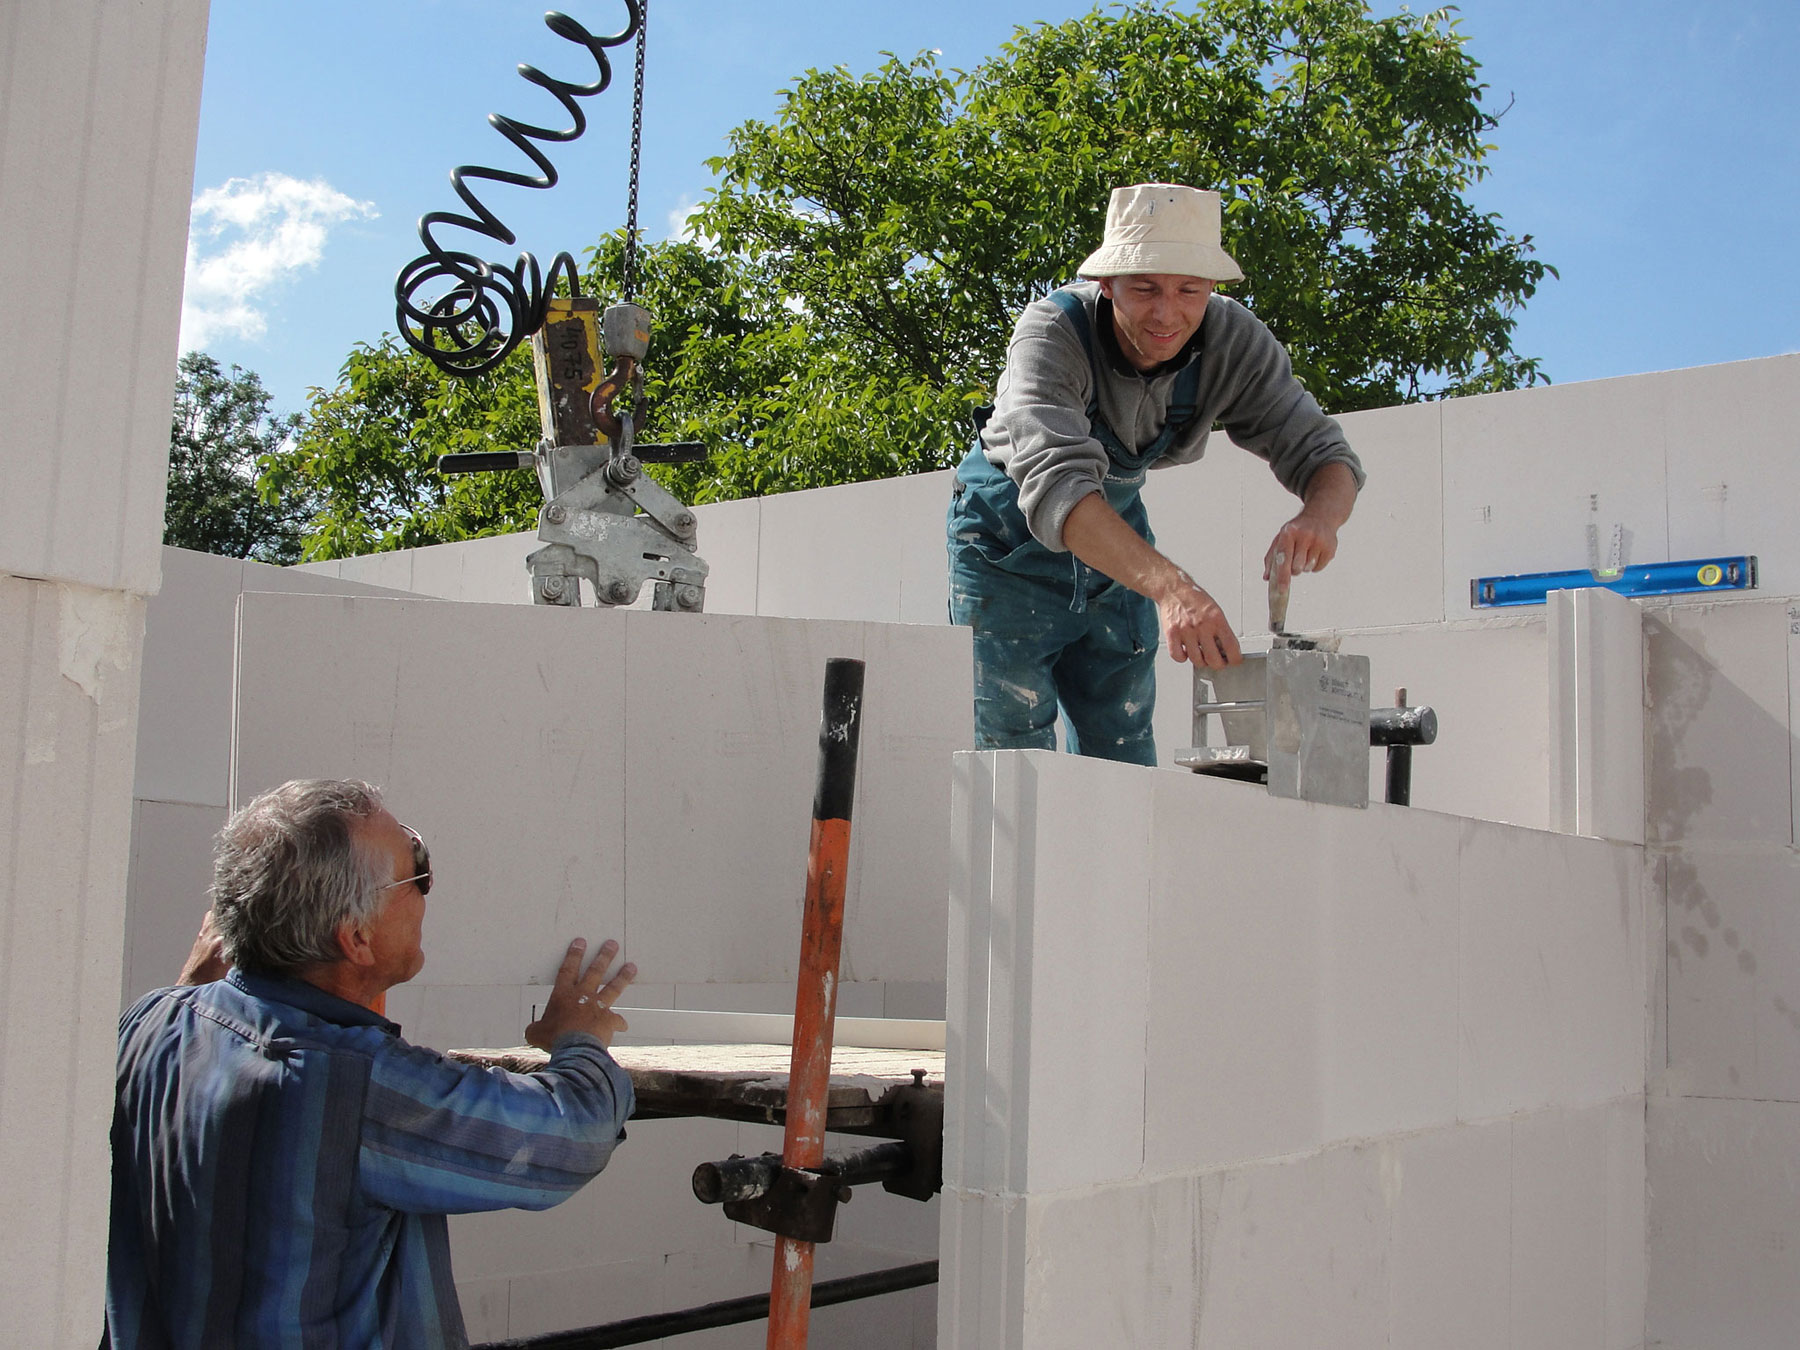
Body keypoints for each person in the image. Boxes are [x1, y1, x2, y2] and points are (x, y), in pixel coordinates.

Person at [106, 779, 638, 1349]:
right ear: (356, 938)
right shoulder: (353, 1084)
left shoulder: (148, 1023)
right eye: (418, 872)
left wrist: (190, 991)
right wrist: (579, 1038)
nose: (429, 891)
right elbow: (573, 1135)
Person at [947, 182, 1366, 764]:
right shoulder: (1052, 334)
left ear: (1211, 289)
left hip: (1116, 545)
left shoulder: (1235, 343)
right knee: (1014, 760)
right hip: (1005, 543)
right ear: (1106, 283)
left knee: (1123, 754)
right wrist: (1172, 590)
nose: (1167, 313)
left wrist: (1321, 517)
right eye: (1144, 288)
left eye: (1188, 290)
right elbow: (1061, 488)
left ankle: (1109, 859)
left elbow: (1329, 456)